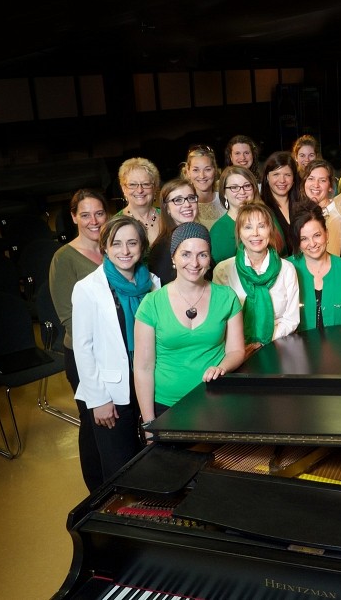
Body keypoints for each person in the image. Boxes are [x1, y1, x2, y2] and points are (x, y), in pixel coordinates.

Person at [71, 216, 159, 484]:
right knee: (121, 468)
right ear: (105, 248)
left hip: (149, 383)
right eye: (116, 244)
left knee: (153, 460)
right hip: (111, 393)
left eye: (132, 243)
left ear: (142, 247)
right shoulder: (87, 288)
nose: (125, 251)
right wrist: (98, 400)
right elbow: (82, 349)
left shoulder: (153, 283)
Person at [134, 222, 245, 422]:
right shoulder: (151, 303)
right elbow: (143, 368)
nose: (194, 263)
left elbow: (236, 351)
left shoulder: (227, 297)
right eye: (186, 254)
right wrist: (149, 423)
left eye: (202, 255)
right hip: (166, 406)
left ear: (209, 259)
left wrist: (222, 367)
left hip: (215, 400)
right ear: (173, 257)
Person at [49, 189, 108, 491]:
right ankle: (96, 490)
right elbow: (67, 317)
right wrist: (100, 347)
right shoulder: (64, 258)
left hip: (116, 350)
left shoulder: (114, 248)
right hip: (85, 354)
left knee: (115, 421)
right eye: (85, 215)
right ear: (73, 217)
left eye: (99, 213)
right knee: (92, 420)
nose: (93, 221)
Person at [213, 202, 300, 349]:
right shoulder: (223, 270)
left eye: (261, 226)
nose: (255, 233)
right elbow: (220, 319)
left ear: (270, 230)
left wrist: (262, 342)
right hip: (236, 348)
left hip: (277, 346)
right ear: (239, 232)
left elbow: (291, 319)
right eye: (248, 227)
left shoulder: (287, 269)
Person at [287, 204, 341, 331]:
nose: (312, 244)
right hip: (297, 343)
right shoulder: (287, 269)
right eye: (304, 239)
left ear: (326, 234)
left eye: (317, 235)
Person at [149, 178, 198, 285]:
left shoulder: (198, 237)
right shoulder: (162, 249)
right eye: (178, 200)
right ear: (167, 208)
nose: (187, 204)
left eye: (191, 198)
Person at [209, 165, 259, 263]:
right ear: (224, 193)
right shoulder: (218, 231)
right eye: (234, 187)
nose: (242, 192)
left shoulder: (268, 218)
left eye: (247, 186)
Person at [260, 151, 301, 257]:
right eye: (276, 174)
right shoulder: (260, 208)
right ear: (267, 177)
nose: (282, 180)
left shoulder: (303, 204)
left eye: (287, 175)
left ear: (293, 178)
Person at [116, 157, 161, 245]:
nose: (140, 190)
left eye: (146, 184)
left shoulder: (168, 217)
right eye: (132, 184)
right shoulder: (115, 224)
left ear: (155, 188)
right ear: (124, 189)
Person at [301, 159, 340, 254]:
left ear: (330, 186)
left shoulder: (335, 219)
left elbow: (333, 258)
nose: (316, 185)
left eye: (322, 180)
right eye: (311, 179)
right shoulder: (305, 211)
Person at [182, 145, 225, 229]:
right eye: (196, 170)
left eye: (207, 169)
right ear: (188, 172)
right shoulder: (183, 205)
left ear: (215, 170)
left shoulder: (226, 199)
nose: (202, 176)